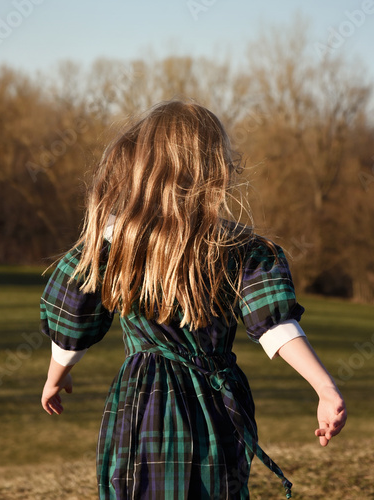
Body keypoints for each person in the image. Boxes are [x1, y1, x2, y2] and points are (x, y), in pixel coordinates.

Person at [40, 100, 347, 499]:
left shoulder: (116, 243)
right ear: (214, 167)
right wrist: (324, 387)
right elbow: (274, 325)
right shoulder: (240, 247)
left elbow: (72, 322)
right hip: (217, 398)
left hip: (143, 397)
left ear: (143, 163)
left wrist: (56, 375)